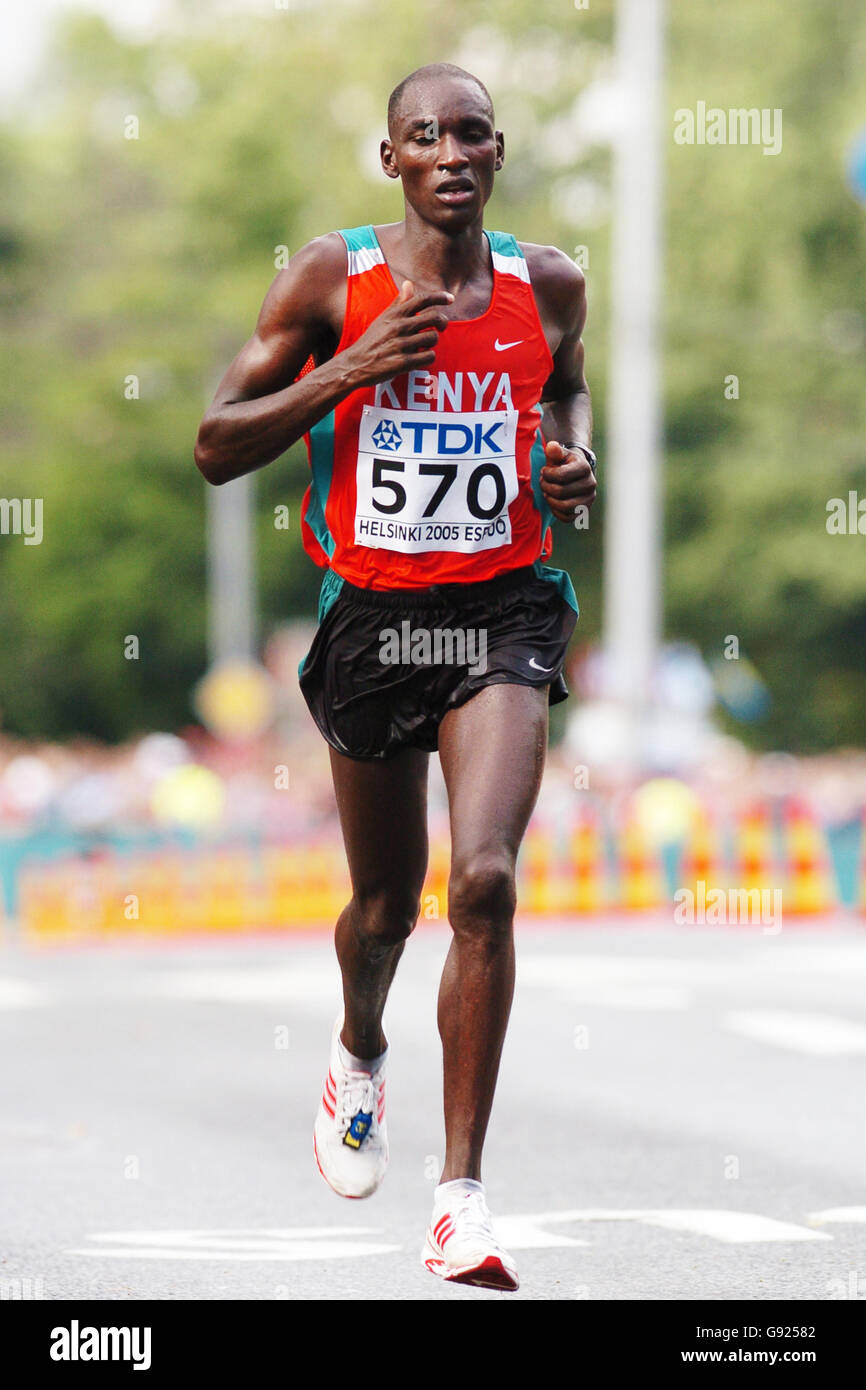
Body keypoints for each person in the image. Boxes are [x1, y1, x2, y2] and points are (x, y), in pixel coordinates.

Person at [194, 61, 596, 1291]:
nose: (452, 153)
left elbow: (566, 388)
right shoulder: (331, 278)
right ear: (393, 161)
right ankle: (358, 1044)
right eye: (426, 136)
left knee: (482, 883)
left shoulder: (549, 283)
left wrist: (567, 456)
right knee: (385, 910)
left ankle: (459, 1202)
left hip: (500, 613)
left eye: (473, 134)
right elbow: (215, 444)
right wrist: (346, 371)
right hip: (372, 620)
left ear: (498, 150)